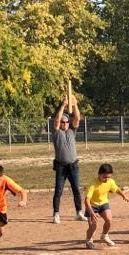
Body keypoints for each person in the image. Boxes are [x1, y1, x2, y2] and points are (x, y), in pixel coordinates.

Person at [52, 94, 87, 224]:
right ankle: (56, 214)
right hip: (61, 166)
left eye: (67, 122)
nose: (65, 123)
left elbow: (77, 118)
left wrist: (75, 104)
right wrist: (64, 105)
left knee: (76, 190)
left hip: (74, 165)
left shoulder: (72, 131)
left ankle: (79, 213)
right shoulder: (57, 133)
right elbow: (56, 121)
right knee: (58, 190)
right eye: (63, 122)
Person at [84, 163, 129, 249]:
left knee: (109, 220)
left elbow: (116, 189)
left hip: (103, 203)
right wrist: (92, 212)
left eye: (109, 177)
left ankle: (104, 235)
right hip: (92, 205)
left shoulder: (110, 181)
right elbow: (86, 201)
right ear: (99, 174)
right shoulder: (92, 184)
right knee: (93, 226)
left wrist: (123, 195)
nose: (107, 179)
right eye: (105, 177)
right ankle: (88, 240)